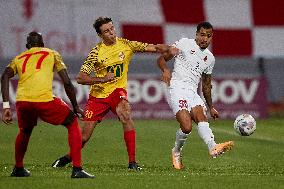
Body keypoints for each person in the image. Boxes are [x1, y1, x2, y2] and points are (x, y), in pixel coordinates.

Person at [51, 17, 170, 170]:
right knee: (84, 137)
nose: (112, 33)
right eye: (107, 31)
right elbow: (81, 78)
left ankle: (132, 162)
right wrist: (102, 79)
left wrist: (168, 48)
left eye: (112, 28)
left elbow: (153, 48)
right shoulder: (96, 53)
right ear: (100, 35)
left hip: (117, 91)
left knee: (125, 113)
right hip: (98, 97)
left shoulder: (126, 44)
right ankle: (67, 158)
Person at [1, 32, 95, 178]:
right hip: (43, 99)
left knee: (25, 131)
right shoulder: (52, 54)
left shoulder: (19, 58)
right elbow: (67, 82)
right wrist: (75, 107)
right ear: (43, 44)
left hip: (22, 101)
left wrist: (6, 106)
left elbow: (5, 75)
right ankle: (77, 169)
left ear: (27, 46)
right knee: (71, 121)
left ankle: (18, 168)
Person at [157, 22, 234, 170]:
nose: (205, 39)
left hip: (193, 92)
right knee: (186, 127)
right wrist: (165, 70)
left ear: (212, 37)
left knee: (202, 118)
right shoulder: (184, 43)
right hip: (177, 88)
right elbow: (161, 59)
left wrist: (211, 107)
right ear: (196, 34)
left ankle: (213, 147)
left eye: (209, 36)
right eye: (202, 35)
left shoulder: (210, 58)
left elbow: (206, 84)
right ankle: (176, 151)